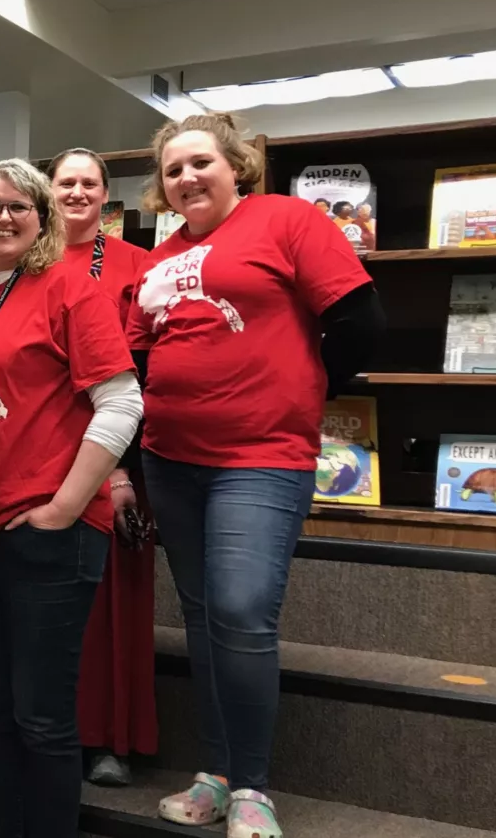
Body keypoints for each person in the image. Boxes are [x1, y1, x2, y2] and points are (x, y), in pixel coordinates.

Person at [131, 113, 382, 838]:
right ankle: (214, 774)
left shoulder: (288, 221)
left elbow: (363, 321)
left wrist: (303, 384)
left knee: (242, 611)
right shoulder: (159, 257)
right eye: (173, 170)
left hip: (262, 458)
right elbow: (140, 354)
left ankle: (252, 788)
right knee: (204, 616)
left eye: (199, 163)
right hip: (171, 458)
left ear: (234, 166)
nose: (186, 178)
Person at [0, 159, 142, 838]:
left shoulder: (70, 290)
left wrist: (64, 506)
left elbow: (121, 403)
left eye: (20, 206)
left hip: (48, 530)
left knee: (40, 715)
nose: (2, 216)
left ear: (43, 219)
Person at [48, 147, 158, 787]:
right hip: (40, 454)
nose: (77, 193)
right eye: (66, 182)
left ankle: (110, 740)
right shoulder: (21, 264)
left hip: (118, 456)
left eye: (90, 183)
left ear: (106, 195)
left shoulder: (138, 266)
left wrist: (117, 469)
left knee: (112, 608)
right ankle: (54, 730)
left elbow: (141, 377)